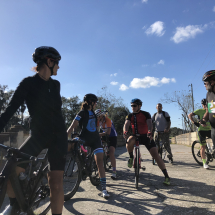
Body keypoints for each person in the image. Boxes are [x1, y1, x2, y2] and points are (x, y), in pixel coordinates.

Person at [0, 46, 67, 215]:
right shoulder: (28, 83)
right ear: (49, 61)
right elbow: (10, 109)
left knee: (56, 184)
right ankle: (16, 205)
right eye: (57, 63)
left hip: (58, 138)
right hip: (38, 136)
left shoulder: (56, 84)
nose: (59, 67)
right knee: (10, 171)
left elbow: (57, 113)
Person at [67, 94, 110, 199]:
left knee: (99, 161)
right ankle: (80, 163)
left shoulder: (95, 115)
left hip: (95, 139)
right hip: (84, 138)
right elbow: (74, 125)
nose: (96, 105)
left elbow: (95, 127)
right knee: (71, 146)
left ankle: (104, 189)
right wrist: (67, 134)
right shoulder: (82, 113)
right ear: (91, 102)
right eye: (95, 102)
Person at [123, 98, 171, 185]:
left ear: (139, 106)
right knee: (129, 140)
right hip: (135, 136)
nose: (132, 107)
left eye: (134, 106)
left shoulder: (146, 114)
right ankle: (131, 157)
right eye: (131, 106)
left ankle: (166, 176)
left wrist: (149, 131)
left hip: (146, 136)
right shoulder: (129, 115)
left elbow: (149, 123)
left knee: (156, 155)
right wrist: (125, 131)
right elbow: (126, 124)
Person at [188, 99, 211, 169]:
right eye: (203, 104)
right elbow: (190, 115)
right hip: (201, 131)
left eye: (206, 104)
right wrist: (194, 123)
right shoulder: (199, 111)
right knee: (203, 147)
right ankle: (204, 163)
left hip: (210, 130)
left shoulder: (211, 111)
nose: (205, 106)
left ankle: (210, 150)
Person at [95, 109, 118, 180]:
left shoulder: (108, 120)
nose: (97, 118)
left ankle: (114, 172)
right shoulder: (98, 121)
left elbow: (108, 132)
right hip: (104, 135)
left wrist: (97, 135)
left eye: (98, 117)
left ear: (101, 116)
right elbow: (97, 130)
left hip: (112, 136)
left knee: (111, 152)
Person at [202, 70, 215, 150]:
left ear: (212, 82)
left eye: (205, 83)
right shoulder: (209, 94)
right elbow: (210, 110)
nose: (204, 86)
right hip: (213, 128)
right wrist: (204, 119)